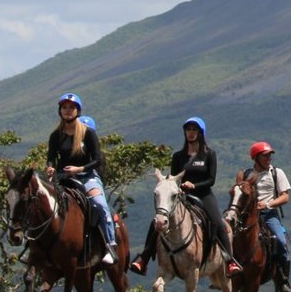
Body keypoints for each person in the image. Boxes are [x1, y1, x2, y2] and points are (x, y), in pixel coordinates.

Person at [130, 116, 241, 276]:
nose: (190, 133)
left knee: (218, 223)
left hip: (204, 195)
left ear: (200, 133)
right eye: (188, 129)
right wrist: (177, 187)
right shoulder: (178, 156)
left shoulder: (209, 154)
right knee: (158, 220)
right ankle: (144, 258)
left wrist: (194, 185)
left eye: (194, 129)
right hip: (182, 196)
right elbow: (174, 178)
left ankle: (229, 261)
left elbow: (211, 180)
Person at [44, 92, 117, 266]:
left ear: (78, 111)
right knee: (41, 203)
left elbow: (97, 159)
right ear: (60, 111)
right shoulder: (56, 135)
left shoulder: (88, 133)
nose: (68, 111)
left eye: (71, 108)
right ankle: (36, 247)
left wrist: (80, 169)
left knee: (99, 203)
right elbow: (51, 157)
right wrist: (50, 167)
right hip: (62, 178)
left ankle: (110, 246)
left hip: (87, 177)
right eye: (64, 108)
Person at [248, 141, 291, 287]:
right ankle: (227, 270)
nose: (269, 158)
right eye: (265, 156)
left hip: (269, 214)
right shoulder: (248, 175)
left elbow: (285, 196)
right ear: (256, 158)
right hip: (249, 215)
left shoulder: (276, 173)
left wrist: (267, 204)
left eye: (269, 155)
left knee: (280, 240)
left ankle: (283, 279)